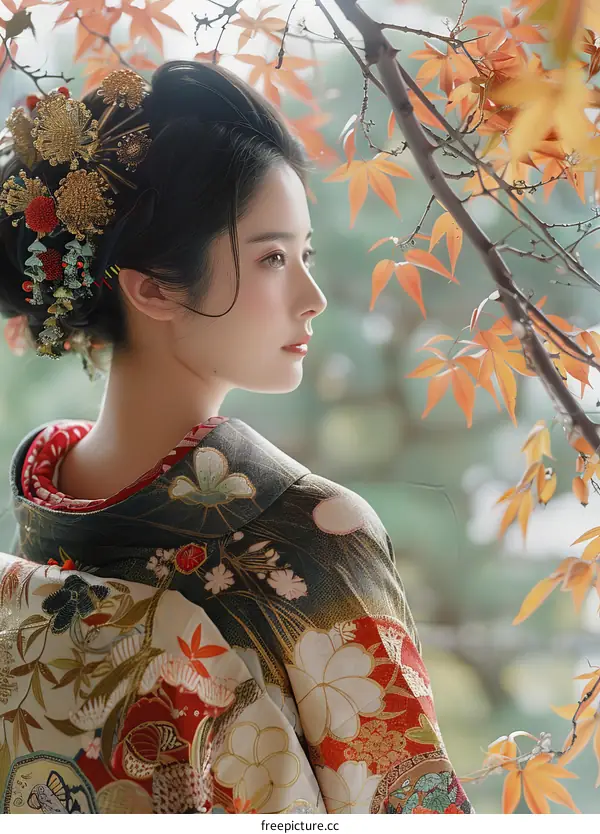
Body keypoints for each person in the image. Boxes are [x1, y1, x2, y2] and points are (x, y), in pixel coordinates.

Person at [0, 60, 472, 814]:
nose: (313, 299)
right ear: (153, 286)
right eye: (272, 258)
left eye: (305, 255)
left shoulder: (40, 517)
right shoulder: (315, 538)